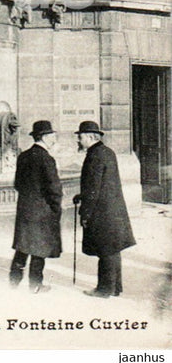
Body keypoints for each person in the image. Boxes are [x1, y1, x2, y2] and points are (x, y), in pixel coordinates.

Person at [72, 120, 135, 298]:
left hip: (101, 212)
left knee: (105, 250)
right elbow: (100, 184)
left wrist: (85, 213)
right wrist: (81, 196)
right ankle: (115, 288)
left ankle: (104, 289)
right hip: (113, 210)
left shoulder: (94, 155)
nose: (78, 140)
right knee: (113, 249)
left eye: (81, 136)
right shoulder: (107, 152)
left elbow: (94, 188)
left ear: (91, 137)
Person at [9, 120, 62, 293]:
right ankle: (35, 286)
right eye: (52, 135)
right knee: (39, 250)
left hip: (25, 210)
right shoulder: (47, 159)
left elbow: (17, 184)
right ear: (44, 137)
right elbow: (54, 189)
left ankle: (13, 283)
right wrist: (56, 208)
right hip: (43, 212)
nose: (54, 138)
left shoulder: (23, 156)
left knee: (22, 248)